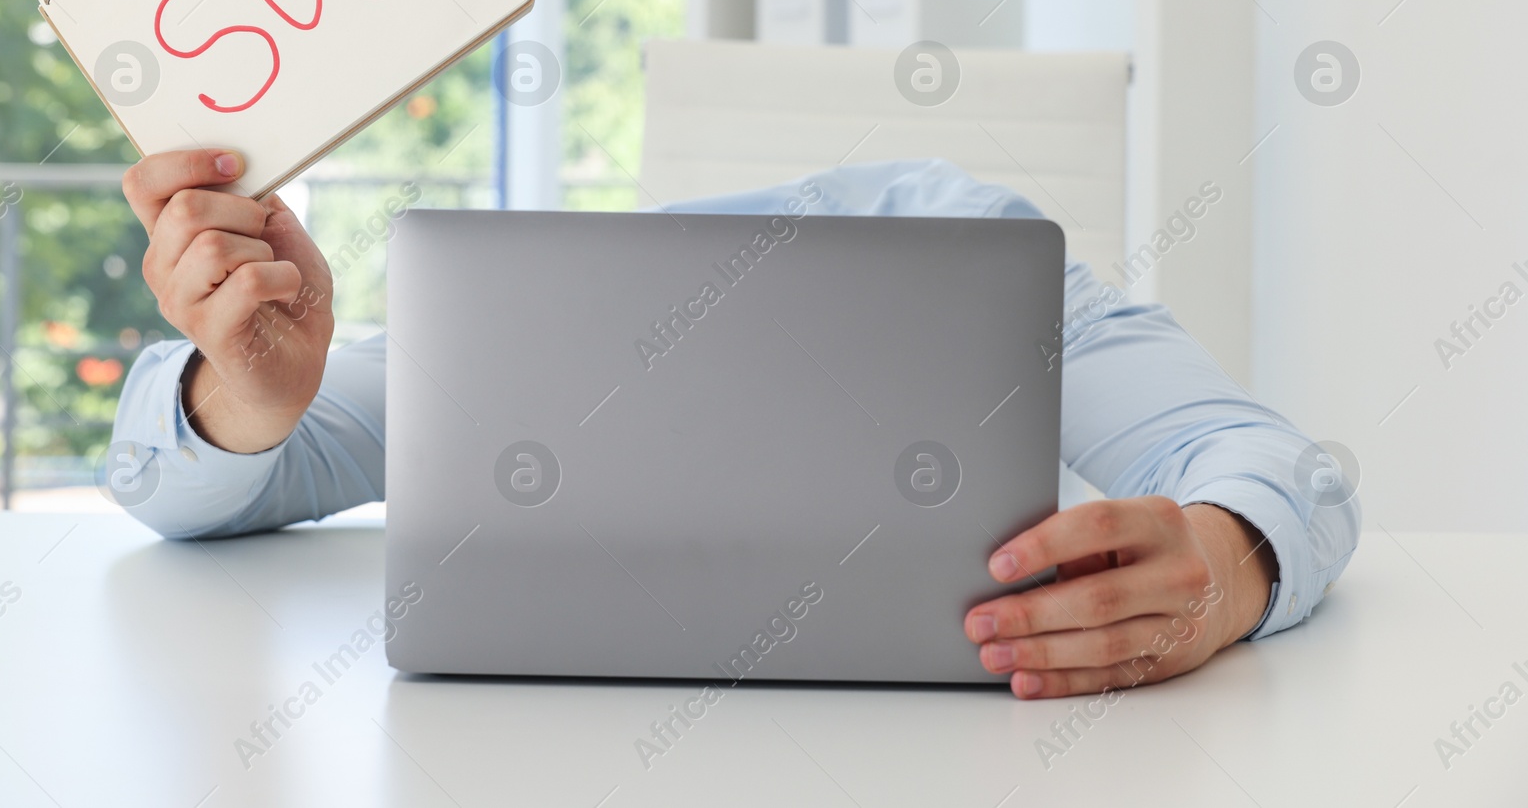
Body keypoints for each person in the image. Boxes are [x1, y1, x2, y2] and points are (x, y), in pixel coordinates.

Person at [110, 149, 1359, 700]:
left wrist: (1228, 559)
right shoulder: (560, 304)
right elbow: (178, 470)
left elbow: (1279, 469)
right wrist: (254, 397)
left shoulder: (966, 238)